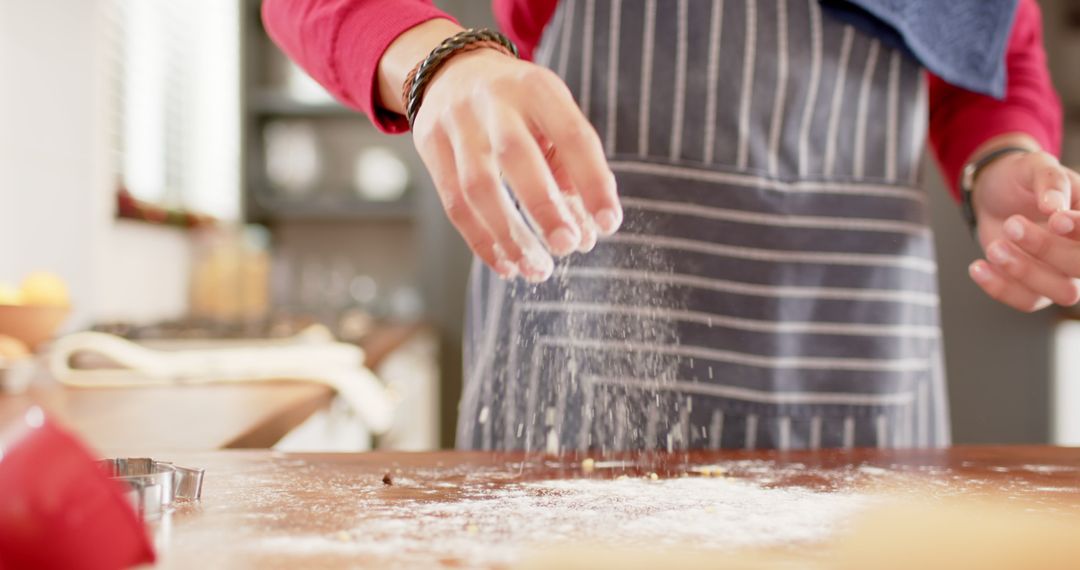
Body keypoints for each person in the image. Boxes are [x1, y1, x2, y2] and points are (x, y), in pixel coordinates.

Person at [263, 0, 1076, 452]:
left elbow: (995, 48)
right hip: (588, 339)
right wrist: (439, 62)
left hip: (857, 344)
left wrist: (998, 159)